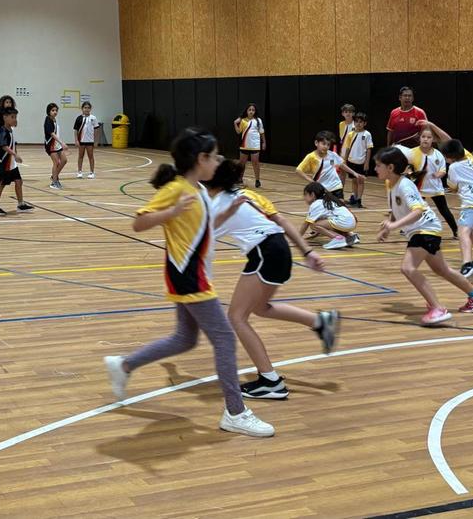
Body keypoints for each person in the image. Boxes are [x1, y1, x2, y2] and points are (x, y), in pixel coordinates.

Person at [103, 128, 274, 438]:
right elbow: (139, 222)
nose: (219, 162)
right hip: (188, 276)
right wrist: (171, 211)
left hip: (192, 274)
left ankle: (124, 365)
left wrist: (228, 212)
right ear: (200, 158)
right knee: (225, 338)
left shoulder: (200, 191)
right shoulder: (177, 189)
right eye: (215, 156)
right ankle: (235, 412)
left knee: (185, 338)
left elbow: (203, 229)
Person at [206, 160, 338, 401]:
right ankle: (319, 322)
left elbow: (201, 238)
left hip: (264, 253)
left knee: (237, 317)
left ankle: (270, 381)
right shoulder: (248, 195)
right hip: (280, 249)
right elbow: (283, 222)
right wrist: (307, 251)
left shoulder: (219, 205)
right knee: (259, 308)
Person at [374, 147, 473, 324]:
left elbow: (418, 211)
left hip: (425, 230)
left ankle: (437, 308)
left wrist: (394, 225)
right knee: (442, 270)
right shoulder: (392, 184)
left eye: (378, 165)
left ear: (390, 167)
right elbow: (398, 209)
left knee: (408, 268)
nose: (375, 169)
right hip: (426, 230)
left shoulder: (405, 185)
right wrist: (388, 227)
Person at [422, 120, 473, 281]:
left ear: (449, 157)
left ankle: (467, 264)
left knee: (462, 232)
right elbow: (449, 140)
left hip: (472, 206)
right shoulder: (469, 157)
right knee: (471, 232)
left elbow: (453, 187)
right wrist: (432, 125)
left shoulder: (454, 168)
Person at [410, 127, 458, 238]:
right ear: (419, 138)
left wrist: (438, 174)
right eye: (423, 137)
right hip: (418, 188)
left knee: (444, 210)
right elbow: (406, 169)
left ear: (433, 140)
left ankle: (456, 231)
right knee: (414, 210)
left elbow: (443, 170)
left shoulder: (438, 154)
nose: (425, 139)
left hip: (435, 188)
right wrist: (412, 174)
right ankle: (408, 228)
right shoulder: (412, 153)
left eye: (429, 137)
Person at [0, 108, 35, 216]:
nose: (15, 119)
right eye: (12, 117)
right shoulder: (3, 131)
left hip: (12, 163)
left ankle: (20, 204)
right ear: (5, 118)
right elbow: (4, 146)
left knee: (19, 181)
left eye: (15, 117)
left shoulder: (10, 129)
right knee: (1, 184)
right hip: (5, 163)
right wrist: (15, 154)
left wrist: (15, 155)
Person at [296, 131, 364, 201]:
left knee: (340, 205)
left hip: (336, 186)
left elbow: (341, 164)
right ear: (316, 143)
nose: (326, 147)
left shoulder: (332, 155)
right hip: (321, 188)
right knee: (324, 207)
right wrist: (311, 181)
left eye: (328, 145)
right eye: (323, 144)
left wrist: (354, 173)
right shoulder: (311, 157)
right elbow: (298, 170)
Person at [300, 182, 359, 250]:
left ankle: (337, 238)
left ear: (312, 194)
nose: (304, 198)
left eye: (305, 195)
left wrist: (297, 238)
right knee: (326, 223)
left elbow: (306, 224)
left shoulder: (317, 204)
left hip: (343, 221)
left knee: (313, 225)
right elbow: (323, 226)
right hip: (351, 221)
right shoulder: (329, 200)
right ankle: (350, 236)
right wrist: (314, 235)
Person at [341, 112, 374, 207]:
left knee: (360, 181)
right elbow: (348, 148)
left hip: (361, 162)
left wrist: (367, 163)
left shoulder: (367, 134)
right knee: (354, 181)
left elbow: (369, 149)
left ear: (365, 123)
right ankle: (354, 198)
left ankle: (359, 200)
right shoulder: (350, 134)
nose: (358, 124)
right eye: (356, 121)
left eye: (360, 122)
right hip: (351, 161)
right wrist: (345, 160)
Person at [233, 103, 265, 188]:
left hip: (255, 145)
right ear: (246, 111)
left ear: (255, 111)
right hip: (244, 145)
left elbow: (262, 132)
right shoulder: (243, 120)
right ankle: (239, 179)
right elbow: (238, 132)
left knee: (255, 162)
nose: (251, 111)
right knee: (242, 163)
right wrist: (235, 123)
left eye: (253, 110)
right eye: (249, 110)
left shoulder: (258, 120)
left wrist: (264, 142)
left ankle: (257, 180)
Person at [74, 101, 101, 179]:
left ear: (90, 109)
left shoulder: (93, 118)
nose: (87, 109)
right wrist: (76, 140)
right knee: (80, 156)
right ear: (82, 108)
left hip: (90, 141)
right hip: (81, 141)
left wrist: (96, 141)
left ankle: (92, 172)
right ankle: (79, 172)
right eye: (85, 108)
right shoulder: (79, 118)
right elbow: (75, 130)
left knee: (91, 156)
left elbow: (96, 130)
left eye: (88, 108)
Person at [44, 102, 68, 189]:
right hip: (50, 144)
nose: (55, 112)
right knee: (56, 162)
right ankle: (54, 182)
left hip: (57, 144)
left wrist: (60, 143)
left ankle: (54, 176)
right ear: (49, 111)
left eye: (56, 110)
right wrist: (62, 142)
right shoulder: (48, 120)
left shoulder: (54, 120)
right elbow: (52, 134)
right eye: (53, 110)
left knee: (64, 160)